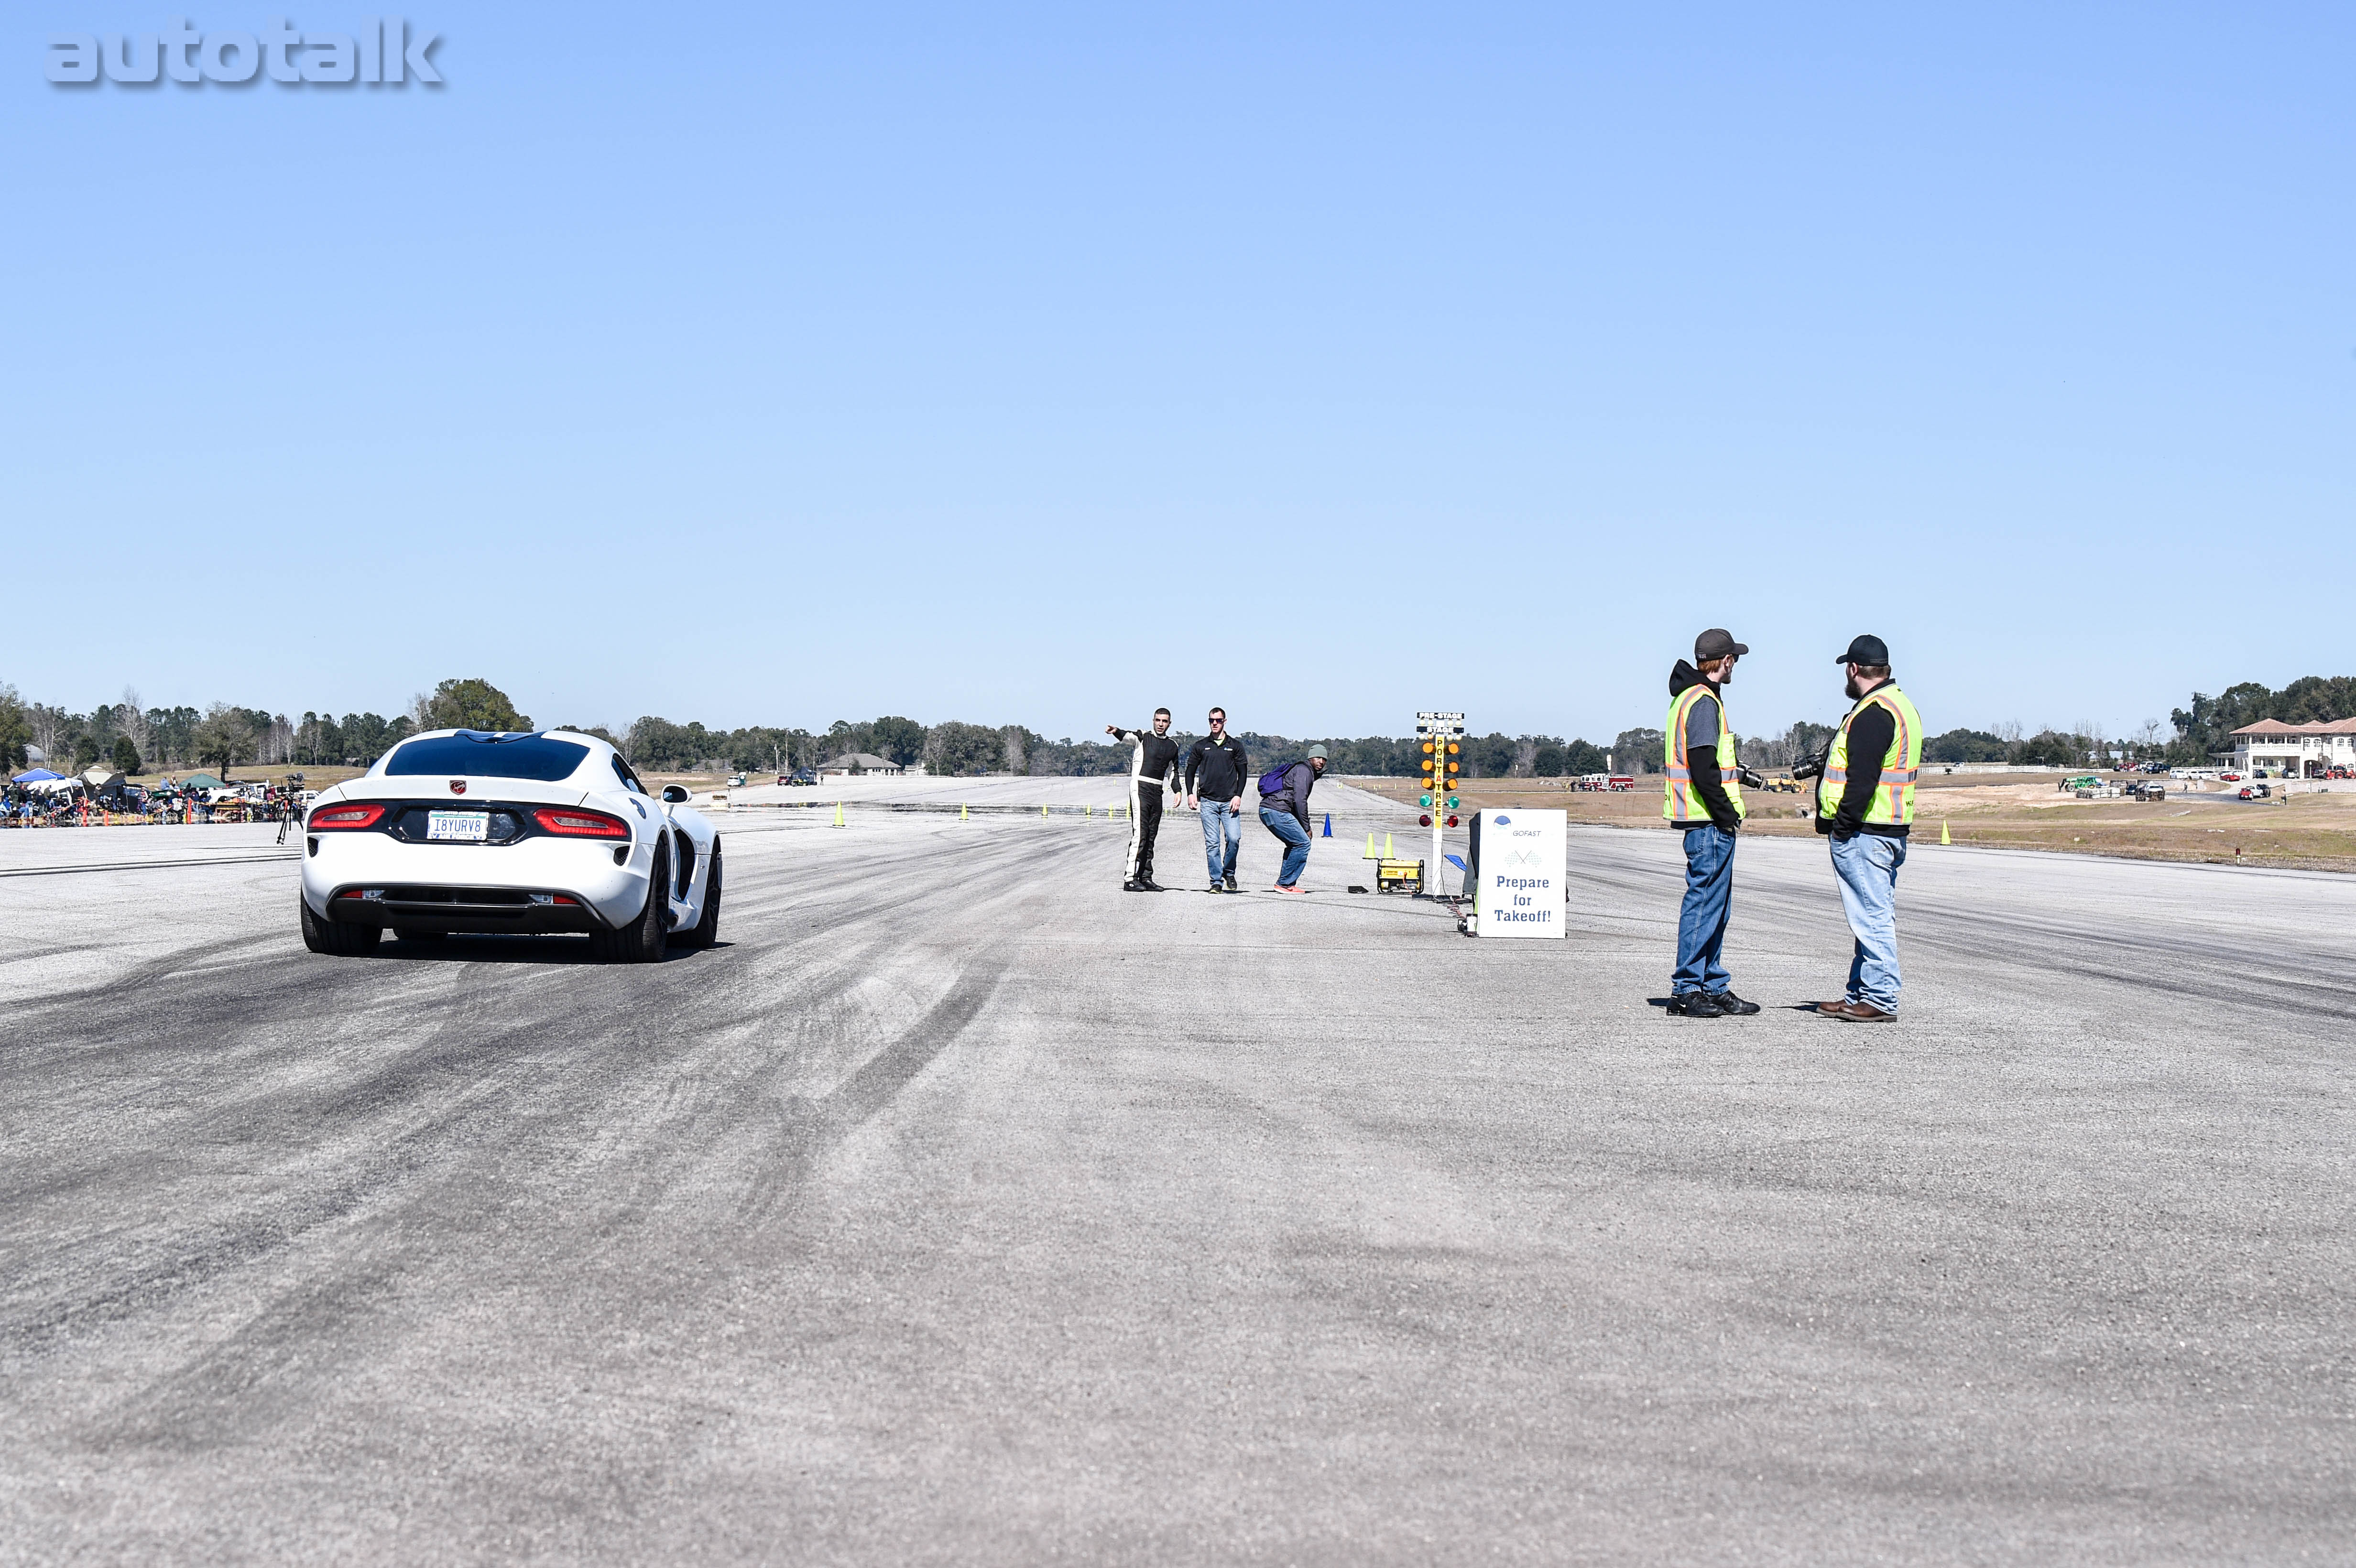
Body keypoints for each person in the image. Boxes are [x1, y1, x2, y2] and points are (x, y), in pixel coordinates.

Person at [1813, 634, 1923, 1023]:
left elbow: (1862, 781)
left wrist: (1841, 827)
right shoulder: (1900, 705)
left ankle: (1879, 998)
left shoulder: (1873, 713)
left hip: (1866, 832)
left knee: (1872, 918)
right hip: (1889, 828)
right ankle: (1859, 994)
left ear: (1853, 669)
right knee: (1871, 914)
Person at [1663, 628, 1762, 1017]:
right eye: (1734, 659)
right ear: (1726, 661)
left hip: (1705, 819)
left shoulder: (1692, 697)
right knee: (1704, 905)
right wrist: (1726, 813)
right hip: (1708, 822)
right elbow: (1703, 765)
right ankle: (1687, 989)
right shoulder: (1703, 701)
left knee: (1717, 909)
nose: (1735, 665)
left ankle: (1712, 984)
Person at [1105, 710, 1183, 892]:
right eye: (1158, 720)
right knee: (1140, 834)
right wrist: (1116, 731)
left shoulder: (1172, 746)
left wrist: (1178, 791)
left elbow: (1173, 772)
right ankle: (1130, 879)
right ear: (1153, 721)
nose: (1161, 724)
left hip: (1157, 791)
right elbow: (1128, 737)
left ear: (1170, 723)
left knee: (1151, 836)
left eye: (1165, 721)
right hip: (1140, 788)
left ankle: (1146, 877)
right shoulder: (1143, 737)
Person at [1183, 707, 1250, 893]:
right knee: (1213, 844)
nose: (1215, 723)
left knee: (1234, 839)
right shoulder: (1201, 746)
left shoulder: (1235, 746)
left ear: (1224, 722)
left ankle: (1229, 872)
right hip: (1208, 802)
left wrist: (1238, 795)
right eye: (1212, 720)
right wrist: (1190, 793)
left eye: (1218, 721)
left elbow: (1243, 773)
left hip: (1230, 802)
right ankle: (1216, 882)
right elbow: (1190, 771)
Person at [1256, 744, 1327, 893]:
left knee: (1295, 844)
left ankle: (1286, 883)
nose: (1321, 761)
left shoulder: (1303, 770)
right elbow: (1299, 800)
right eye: (1318, 758)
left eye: (1324, 759)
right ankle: (1284, 884)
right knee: (1303, 843)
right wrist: (1307, 828)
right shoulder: (1304, 771)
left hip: (1270, 810)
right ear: (1311, 758)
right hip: (1276, 810)